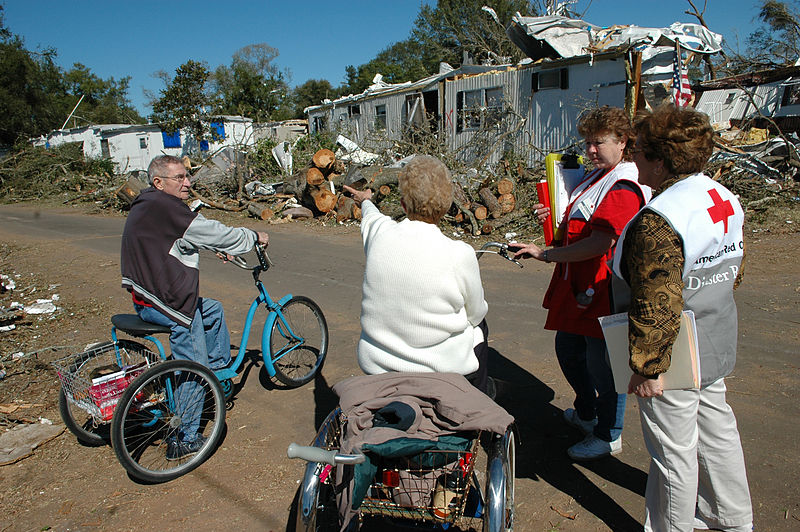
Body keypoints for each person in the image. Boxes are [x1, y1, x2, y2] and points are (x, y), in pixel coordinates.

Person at [611, 104, 752, 531]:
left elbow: (657, 299)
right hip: (714, 335)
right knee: (717, 433)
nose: (633, 160)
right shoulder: (722, 197)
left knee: (673, 452)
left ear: (659, 159)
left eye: (639, 152)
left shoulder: (660, 218)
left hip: (674, 352)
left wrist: (648, 368)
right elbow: (735, 268)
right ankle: (733, 520)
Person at [508, 106, 651, 460]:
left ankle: (608, 433)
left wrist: (547, 256)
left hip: (603, 287)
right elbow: (576, 223)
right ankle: (588, 413)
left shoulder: (625, 183)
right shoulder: (596, 176)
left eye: (598, 143)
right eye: (587, 142)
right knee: (569, 351)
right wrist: (554, 216)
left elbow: (600, 242)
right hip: (580, 282)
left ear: (622, 141)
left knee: (602, 364)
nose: (590, 150)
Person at [120, 154, 269, 460]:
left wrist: (215, 246)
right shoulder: (165, 206)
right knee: (193, 366)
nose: (187, 183)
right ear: (159, 182)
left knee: (212, 309)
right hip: (168, 304)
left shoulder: (149, 205)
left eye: (187, 177)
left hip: (146, 298)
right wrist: (252, 237)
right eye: (180, 178)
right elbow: (210, 231)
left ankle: (216, 380)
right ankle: (185, 436)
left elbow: (178, 239)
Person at [341, 155, 491, 394]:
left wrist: (365, 200)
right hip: (442, 370)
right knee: (480, 325)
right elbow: (475, 313)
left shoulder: (380, 235)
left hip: (377, 365)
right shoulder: (460, 254)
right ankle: (478, 402)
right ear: (446, 207)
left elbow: (371, 217)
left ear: (402, 205)